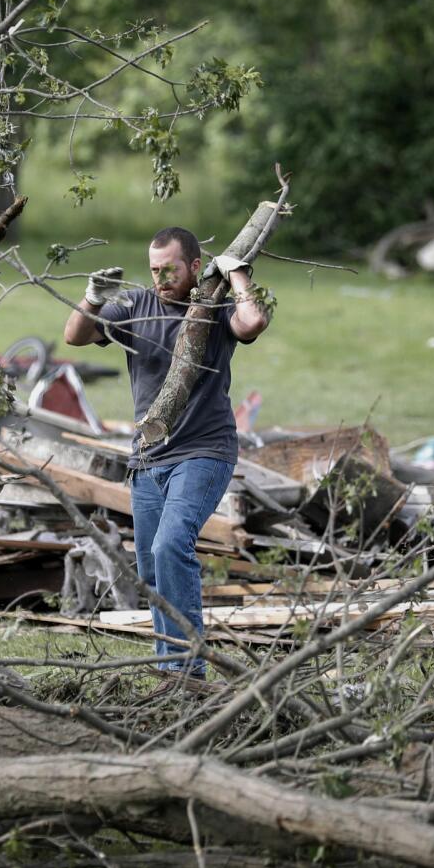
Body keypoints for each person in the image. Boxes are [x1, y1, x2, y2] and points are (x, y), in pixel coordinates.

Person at [63, 227, 270, 677]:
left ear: (196, 266)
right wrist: (94, 297)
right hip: (147, 458)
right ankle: (168, 669)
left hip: (203, 450)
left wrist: (237, 276)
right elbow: (75, 336)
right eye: (154, 270)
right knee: (152, 567)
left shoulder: (213, 307)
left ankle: (188, 672)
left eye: (170, 269)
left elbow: (252, 322)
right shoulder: (136, 306)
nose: (160, 278)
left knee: (172, 543)